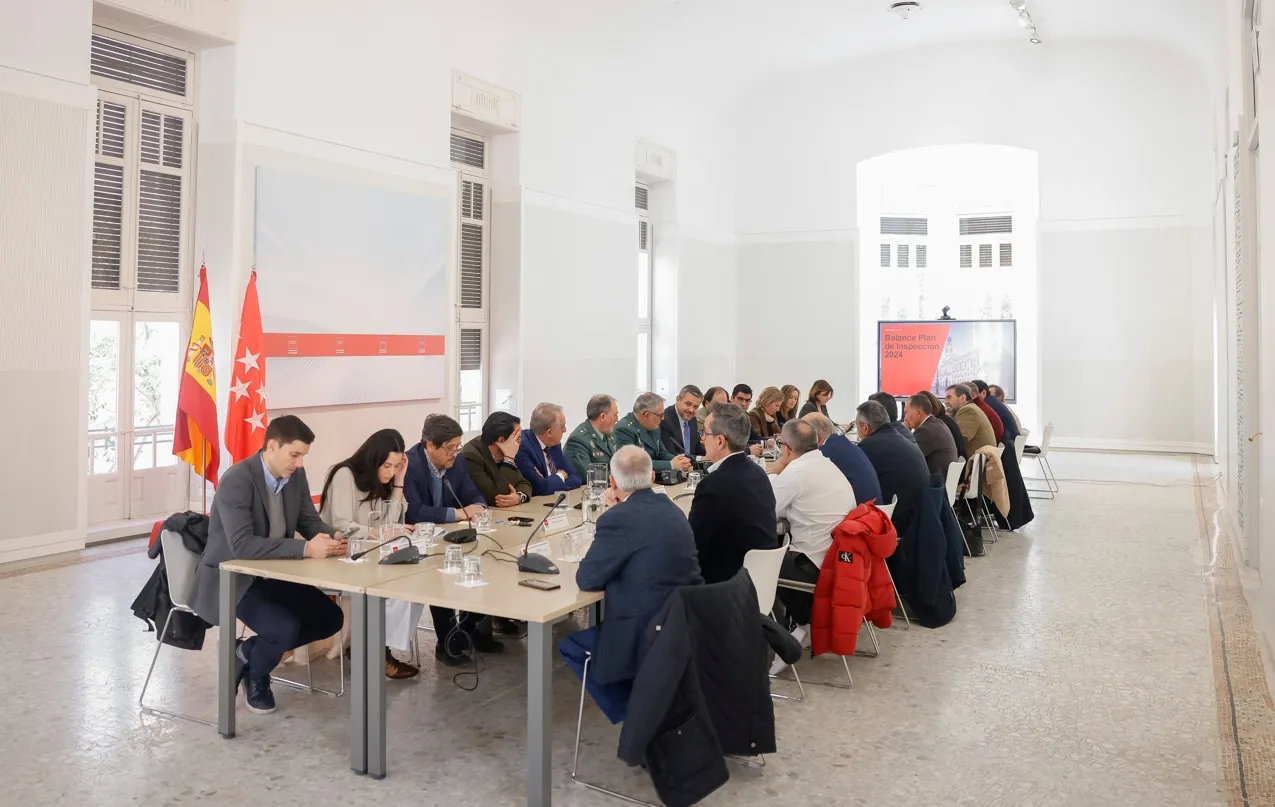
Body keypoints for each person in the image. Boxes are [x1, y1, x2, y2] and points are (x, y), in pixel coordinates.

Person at [189, 415, 346, 715]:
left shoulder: (294, 476)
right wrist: (305, 548)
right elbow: (242, 545)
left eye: (303, 456)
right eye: (295, 454)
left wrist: (332, 536)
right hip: (234, 577)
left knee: (330, 618)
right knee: (284, 628)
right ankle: (258, 673)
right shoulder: (237, 479)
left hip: (275, 571)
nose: (299, 464)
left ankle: (248, 654)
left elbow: (307, 520)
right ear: (272, 446)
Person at [559, 446, 703, 723]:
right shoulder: (672, 509)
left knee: (572, 646)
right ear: (651, 478)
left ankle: (638, 718)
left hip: (645, 632)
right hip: (685, 621)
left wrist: (612, 516)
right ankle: (651, 708)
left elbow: (588, 579)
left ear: (612, 482)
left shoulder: (617, 520)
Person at [320, 428, 422, 680]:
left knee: (414, 581)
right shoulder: (345, 475)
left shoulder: (387, 480)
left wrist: (399, 482)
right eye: (387, 465)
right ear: (373, 458)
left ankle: (373, 646)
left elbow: (393, 520)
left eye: (396, 465)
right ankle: (376, 650)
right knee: (391, 586)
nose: (389, 471)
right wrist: (379, 534)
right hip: (341, 556)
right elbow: (340, 524)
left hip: (371, 555)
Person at [403, 414, 504, 665]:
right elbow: (412, 510)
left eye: (458, 447)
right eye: (450, 448)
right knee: (442, 576)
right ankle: (447, 643)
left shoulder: (455, 462)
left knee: (488, 563)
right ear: (430, 445)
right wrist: (457, 513)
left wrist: (479, 507)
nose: (455, 454)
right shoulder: (410, 464)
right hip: (419, 543)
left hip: (450, 538)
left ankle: (468, 632)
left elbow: (473, 494)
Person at [767, 419, 856, 659]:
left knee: (754, 566)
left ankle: (795, 628)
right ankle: (798, 622)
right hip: (840, 559)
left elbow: (765, 509)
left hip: (812, 564)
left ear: (786, 448)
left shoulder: (795, 472)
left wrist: (776, 470)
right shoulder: (828, 465)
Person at [688, 402, 778, 584]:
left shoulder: (713, 485)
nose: (702, 439)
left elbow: (692, 545)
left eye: (704, 433)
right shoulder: (758, 472)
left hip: (726, 587)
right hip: (761, 581)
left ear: (720, 441)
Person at [855, 400, 931, 537]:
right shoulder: (901, 439)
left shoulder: (868, 448)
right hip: (920, 516)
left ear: (865, 428)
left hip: (898, 520)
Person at [804, 412, 882, 505]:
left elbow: (803, 480)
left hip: (861, 514)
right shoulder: (842, 444)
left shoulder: (826, 452)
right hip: (874, 511)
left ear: (815, 436)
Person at [460, 412, 532, 507]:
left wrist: (518, 497)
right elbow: (495, 497)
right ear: (501, 440)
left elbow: (524, 483)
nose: (519, 442)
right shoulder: (471, 456)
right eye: (517, 438)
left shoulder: (506, 451)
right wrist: (509, 460)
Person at [515, 402, 583, 495]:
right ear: (550, 432)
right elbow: (539, 487)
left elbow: (576, 477)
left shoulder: (554, 444)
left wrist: (553, 485)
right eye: (562, 426)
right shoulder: (522, 447)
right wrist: (561, 476)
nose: (565, 430)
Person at [615, 392, 693, 473]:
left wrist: (680, 461)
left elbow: (662, 453)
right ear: (646, 415)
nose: (663, 418)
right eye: (660, 415)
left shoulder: (654, 426)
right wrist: (671, 465)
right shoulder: (624, 429)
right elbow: (633, 464)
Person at [903, 393, 959, 477]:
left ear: (918, 412)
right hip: (944, 478)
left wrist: (903, 431)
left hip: (936, 483)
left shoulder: (926, 431)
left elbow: (905, 456)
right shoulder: (937, 423)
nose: (905, 418)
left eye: (906, 412)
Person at [565, 394, 620, 479]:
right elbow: (589, 475)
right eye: (615, 415)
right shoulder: (578, 440)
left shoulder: (609, 434)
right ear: (603, 417)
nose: (617, 420)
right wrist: (623, 477)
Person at [946, 384, 996, 455]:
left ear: (962, 398)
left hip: (976, 462)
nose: (946, 402)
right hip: (979, 459)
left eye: (949, 398)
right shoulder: (970, 408)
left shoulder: (968, 410)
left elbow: (960, 440)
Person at [660, 384, 705, 458]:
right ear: (678, 400)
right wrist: (699, 458)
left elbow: (697, 447)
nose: (691, 410)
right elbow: (670, 454)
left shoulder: (692, 419)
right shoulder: (665, 419)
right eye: (688, 404)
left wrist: (711, 454)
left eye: (695, 407)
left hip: (692, 467)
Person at [922, 389, 967, 459]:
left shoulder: (932, 426)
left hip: (945, 467)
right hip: (955, 464)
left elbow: (915, 453)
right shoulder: (944, 420)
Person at [975, 380, 1019, 447]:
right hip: (1010, 443)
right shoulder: (993, 401)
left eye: (973, 395)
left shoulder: (986, 404)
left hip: (1007, 444)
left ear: (983, 393)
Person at [968, 380, 1005, 444]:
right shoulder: (991, 402)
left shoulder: (983, 405)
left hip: (993, 446)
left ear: (984, 393)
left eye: (970, 394)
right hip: (1001, 445)